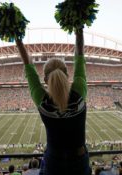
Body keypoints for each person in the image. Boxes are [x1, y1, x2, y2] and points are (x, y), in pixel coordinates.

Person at [15, 26, 89, 175]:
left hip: (54, 159)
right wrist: (79, 30)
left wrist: (17, 38)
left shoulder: (42, 100)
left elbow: (28, 64)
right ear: (67, 75)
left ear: (45, 80)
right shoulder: (79, 91)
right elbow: (79, 56)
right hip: (79, 157)